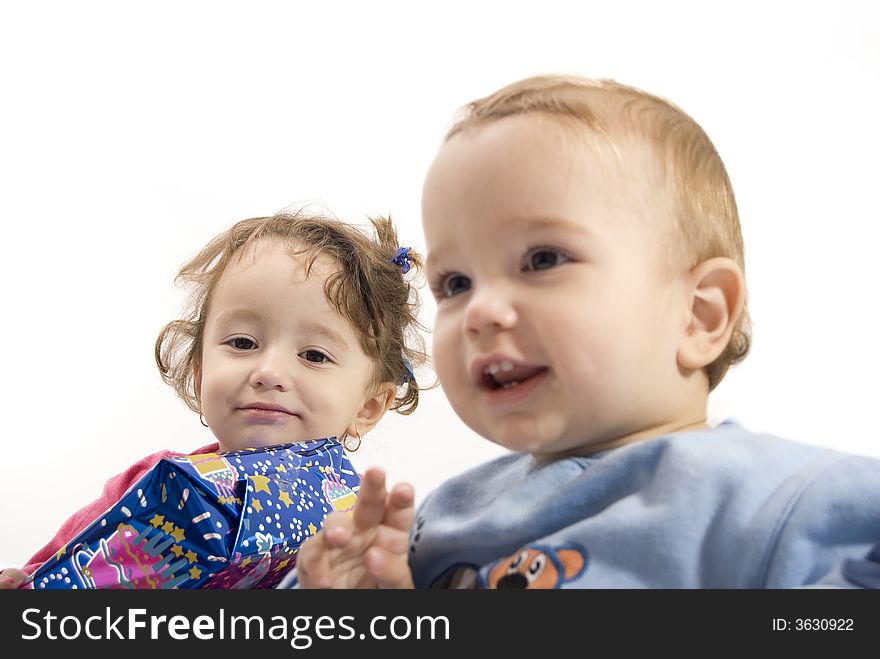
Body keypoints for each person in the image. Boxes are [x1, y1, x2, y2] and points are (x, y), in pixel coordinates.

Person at [288, 75, 880, 589]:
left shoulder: (784, 501)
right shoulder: (429, 523)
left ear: (699, 315)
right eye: (455, 283)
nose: (481, 311)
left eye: (543, 260)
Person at [0, 209, 426, 589]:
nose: (269, 373)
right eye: (242, 343)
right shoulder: (149, 485)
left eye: (314, 355)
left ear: (368, 406)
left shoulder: (361, 533)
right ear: (201, 372)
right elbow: (55, 566)